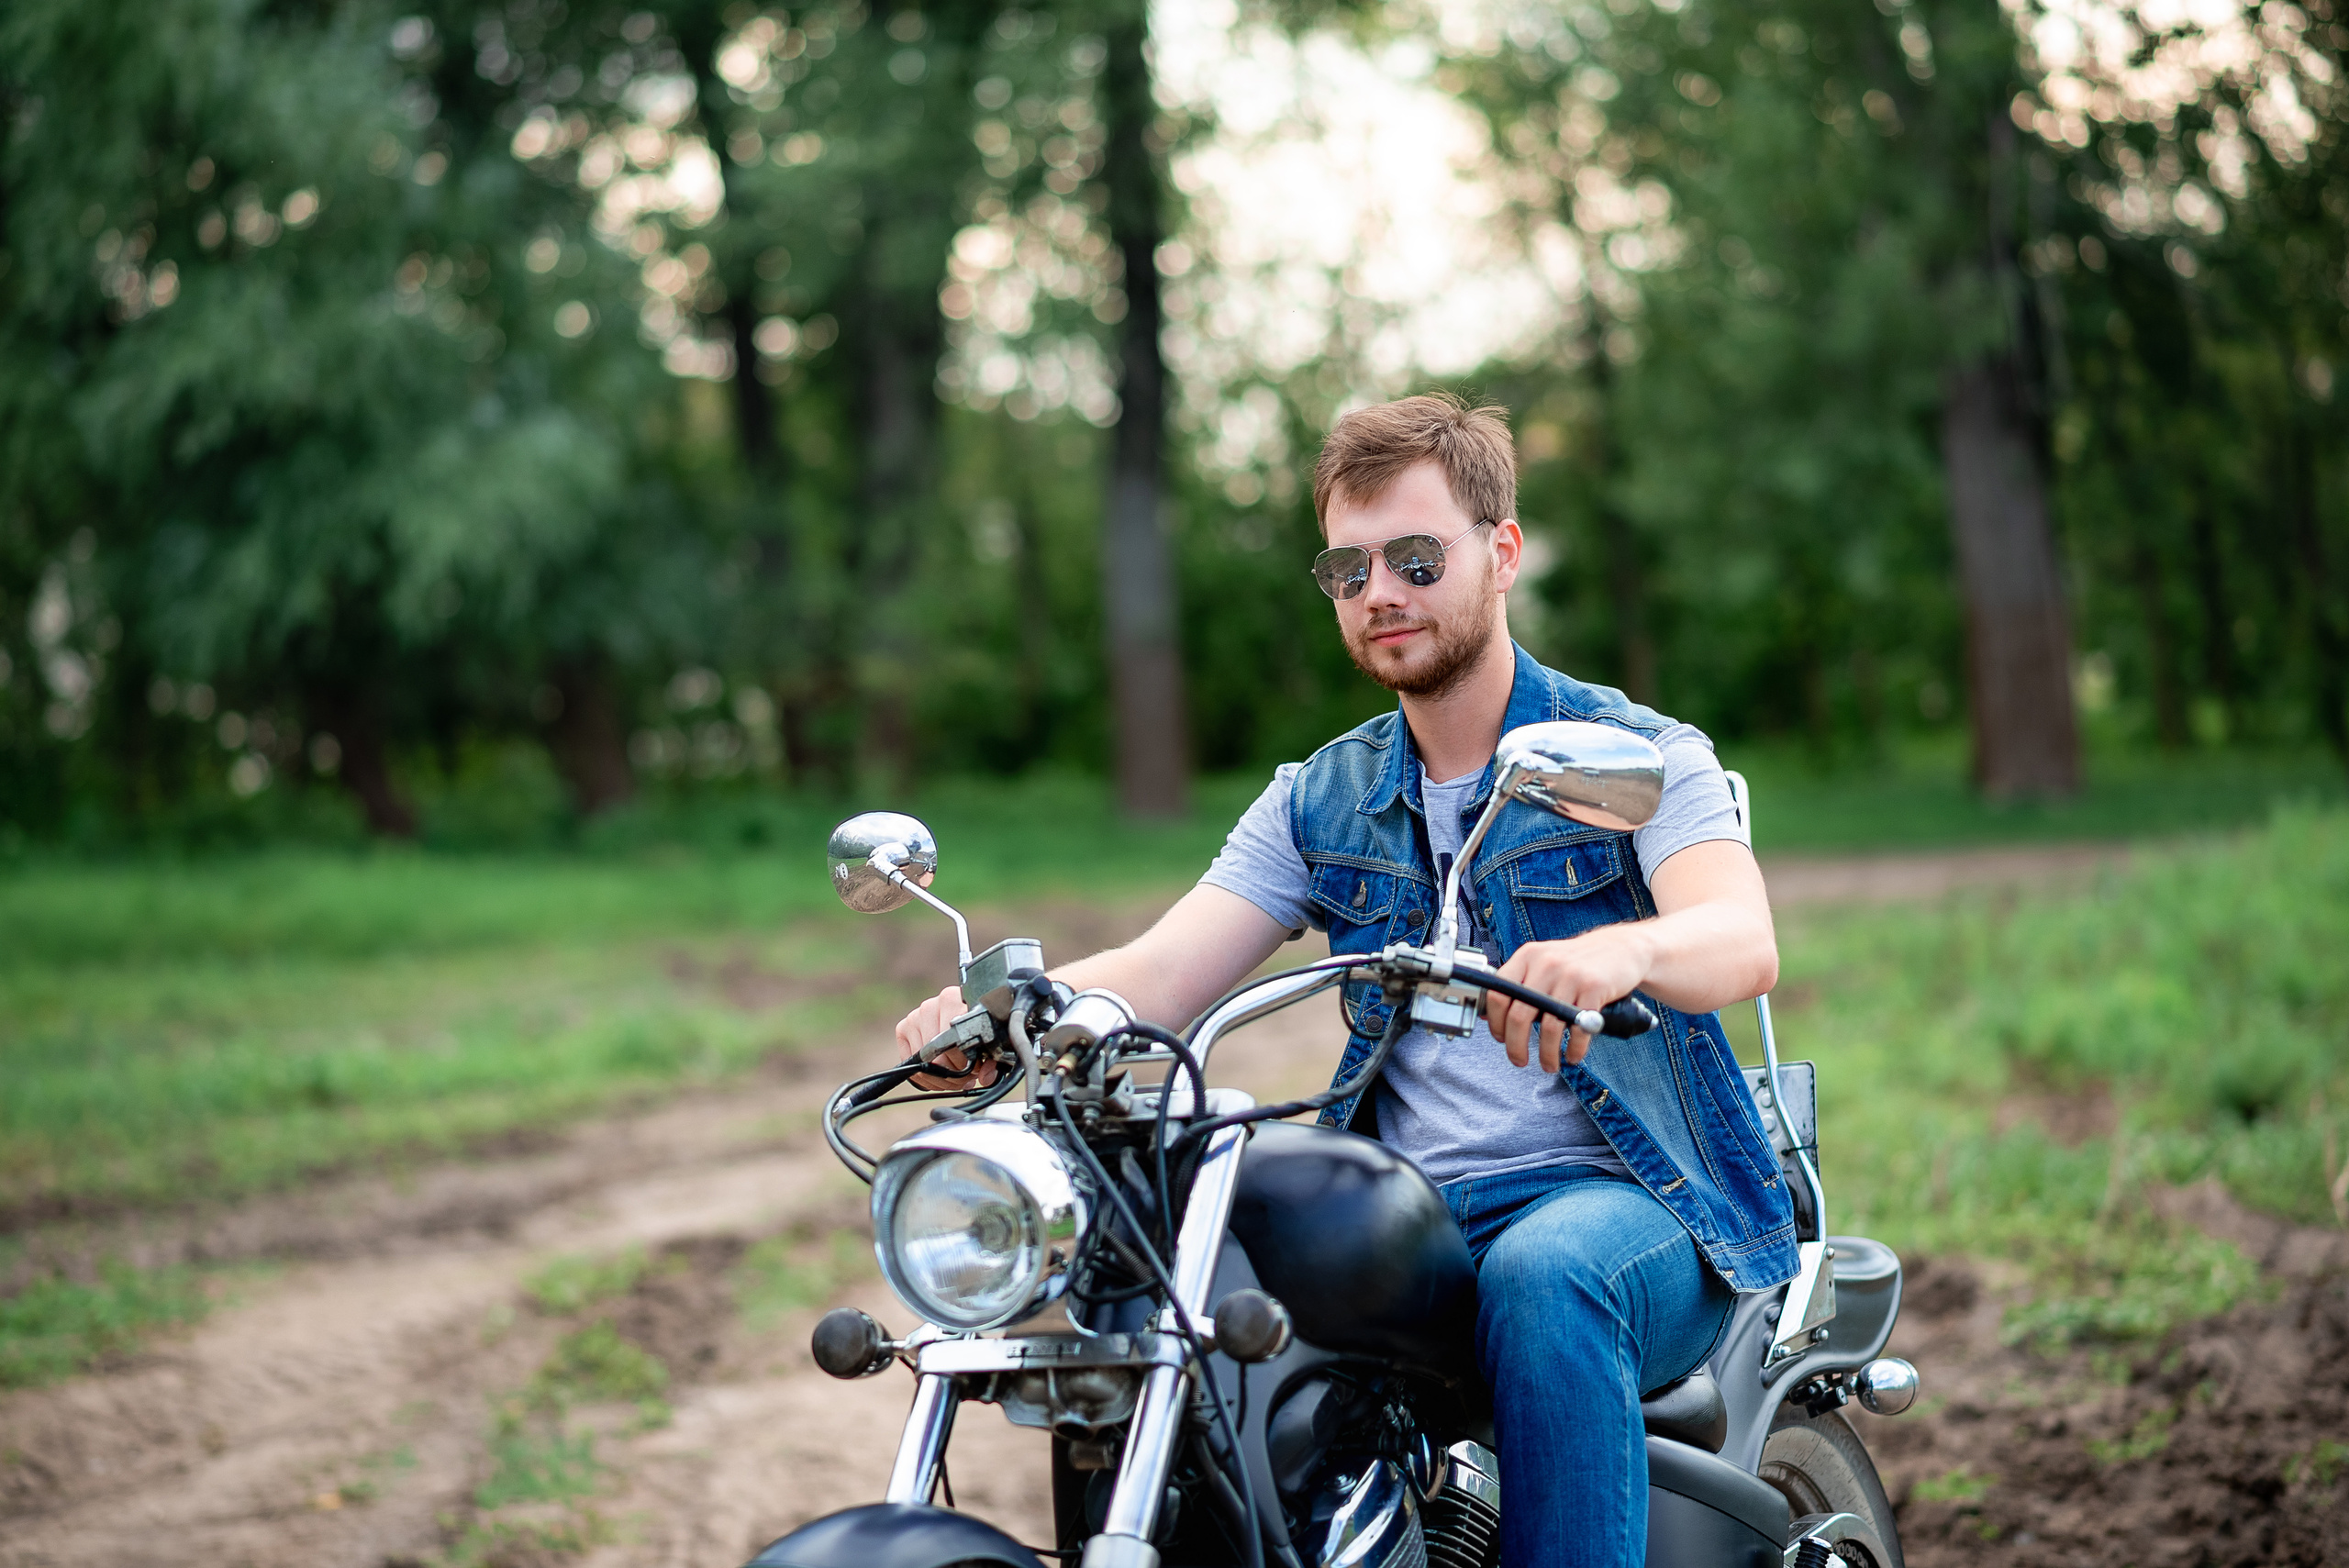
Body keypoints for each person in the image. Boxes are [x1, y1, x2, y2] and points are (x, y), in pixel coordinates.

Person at [894, 393, 1798, 1568]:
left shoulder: (1634, 754)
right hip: (1412, 1211)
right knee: (1179, 1266)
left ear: (1501, 552)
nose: (1380, 590)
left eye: (1416, 558)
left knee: (1545, 1275)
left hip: (1634, 1202)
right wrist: (1007, 1015)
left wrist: (1625, 950)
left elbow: (1738, 936)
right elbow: (1162, 968)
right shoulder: (1322, 796)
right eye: (1348, 567)